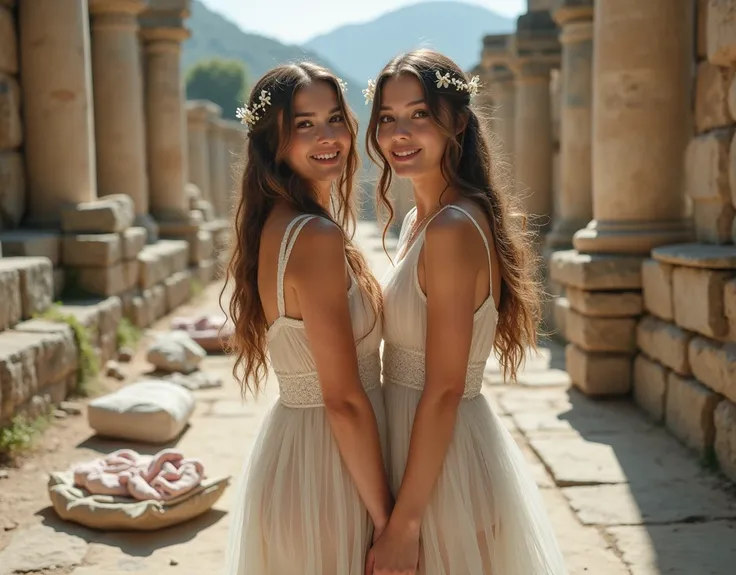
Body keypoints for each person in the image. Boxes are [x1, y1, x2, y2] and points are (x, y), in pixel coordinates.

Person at [364, 49, 568, 575]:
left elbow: (446, 387)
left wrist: (405, 524)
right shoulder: (418, 220)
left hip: (446, 463)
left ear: (455, 120)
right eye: (387, 118)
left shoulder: (454, 228)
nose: (399, 133)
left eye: (419, 114)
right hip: (415, 448)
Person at [222, 62, 392, 575]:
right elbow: (341, 399)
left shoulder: (275, 222)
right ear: (274, 139)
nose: (328, 137)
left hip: (299, 451)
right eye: (304, 124)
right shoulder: (314, 237)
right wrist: (391, 522)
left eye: (335, 118)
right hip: (331, 468)